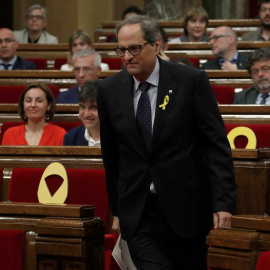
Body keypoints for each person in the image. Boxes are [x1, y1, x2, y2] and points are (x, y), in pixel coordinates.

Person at [98, 15, 236, 270]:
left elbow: (215, 144)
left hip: (187, 208)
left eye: (135, 48)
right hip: (139, 212)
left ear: (157, 45)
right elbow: (112, 154)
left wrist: (223, 202)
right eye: (122, 50)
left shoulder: (190, 81)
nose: (127, 56)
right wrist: (118, 208)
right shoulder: (109, 90)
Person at [2, 82, 66, 145]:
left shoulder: (60, 134)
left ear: (48, 106)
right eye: (28, 101)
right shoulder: (10, 134)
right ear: (23, 105)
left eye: (39, 101)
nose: (33, 105)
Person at [63, 80, 100, 146]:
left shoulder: (121, 137)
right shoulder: (71, 138)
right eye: (82, 107)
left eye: (94, 107)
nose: (86, 114)